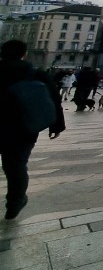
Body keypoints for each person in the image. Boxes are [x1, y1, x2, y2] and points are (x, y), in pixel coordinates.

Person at [1, 39, 65, 219]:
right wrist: (57, 125)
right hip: (23, 128)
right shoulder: (35, 73)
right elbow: (54, 98)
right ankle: (15, 203)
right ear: (24, 54)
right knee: (16, 166)